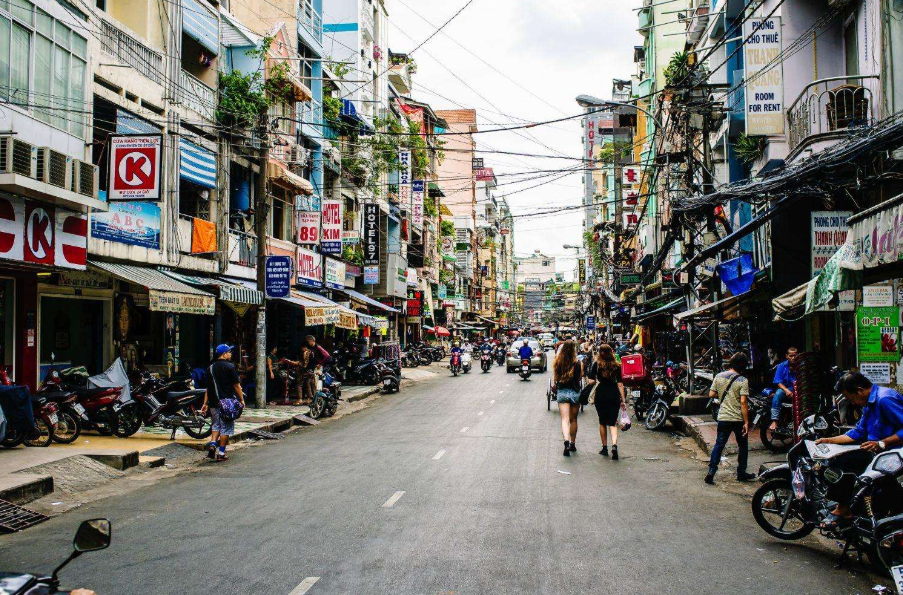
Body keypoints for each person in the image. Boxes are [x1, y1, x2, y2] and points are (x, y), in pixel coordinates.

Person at [814, 372, 903, 528]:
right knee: (837, 458)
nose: (852, 403)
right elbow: (858, 432)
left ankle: (843, 509)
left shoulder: (884, 399)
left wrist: (882, 443)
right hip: (876, 449)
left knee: (844, 464)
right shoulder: (869, 403)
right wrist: (828, 441)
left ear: (860, 390)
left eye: (851, 398)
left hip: (892, 452)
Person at [704, 352, 755, 484]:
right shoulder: (743, 380)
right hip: (738, 419)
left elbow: (711, 394)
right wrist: (746, 421)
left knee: (719, 444)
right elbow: (743, 402)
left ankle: (711, 471)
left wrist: (723, 396)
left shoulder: (719, 376)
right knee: (743, 446)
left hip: (723, 417)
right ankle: (741, 473)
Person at [201, 344, 244, 462]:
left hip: (214, 402)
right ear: (224, 354)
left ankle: (213, 443)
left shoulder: (210, 368)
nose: (231, 354)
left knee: (215, 424)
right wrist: (241, 400)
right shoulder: (230, 367)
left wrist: (205, 403)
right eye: (229, 352)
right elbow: (237, 386)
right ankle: (221, 453)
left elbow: (208, 388)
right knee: (226, 427)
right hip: (227, 402)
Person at [586, 344, 627, 460]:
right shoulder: (617, 366)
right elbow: (620, 384)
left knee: (602, 422)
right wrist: (623, 400)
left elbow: (591, 381)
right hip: (614, 394)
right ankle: (614, 445)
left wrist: (594, 380)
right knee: (613, 422)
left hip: (601, 394)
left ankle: (604, 447)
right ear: (611, 352)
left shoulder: (597, 365)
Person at [553, 341, 583, 456]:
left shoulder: (558, 362)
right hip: (575, 392)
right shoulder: (578, 363)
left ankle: (566, 441)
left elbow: (556, 378)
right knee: (573, 419)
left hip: (562, 392)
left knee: (564, 420)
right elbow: (580, 377)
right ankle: (572, 443)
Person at [769, 347, 799, 431]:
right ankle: (775, 420)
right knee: (778, 394)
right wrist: (786, 390)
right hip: (785, 388)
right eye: (791, 356)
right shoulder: (782, 366)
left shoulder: (800, 366)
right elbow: (778, 382)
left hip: (798, 388)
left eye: (795, 356)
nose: (793, 358)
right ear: (787, 356)